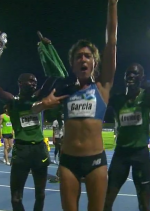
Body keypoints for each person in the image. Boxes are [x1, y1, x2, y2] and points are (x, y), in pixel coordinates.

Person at [32, 0, 118, 210]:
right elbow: (32, 109)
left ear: (94, 63)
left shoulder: (103, 86)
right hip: (68, 161)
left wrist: (112, 5)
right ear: (72, 64)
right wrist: (43, 105)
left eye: (88, 56)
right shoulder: (65, 90)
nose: (83, 59)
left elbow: (111, 42)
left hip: (96, 161)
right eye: (78, 57)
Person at [0, 34, 63, 211]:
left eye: (35, 81)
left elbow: (55, 73)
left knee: (40, 194)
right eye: (30, 80)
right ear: (20, 83)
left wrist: (48, 49)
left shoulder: (39, 97)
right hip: (21, 150)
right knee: (16, 197)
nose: (34, 83)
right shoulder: (13, 102)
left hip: (39, 150)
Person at [104, 27, 150, 211]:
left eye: (135, 73)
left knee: (144, 205)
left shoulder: (148, 97)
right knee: (107, 201)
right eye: (128, 74)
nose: (131, 76)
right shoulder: (117, 99)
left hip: (141, 154)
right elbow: (100, 88)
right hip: (120, 154)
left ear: (142, 78)